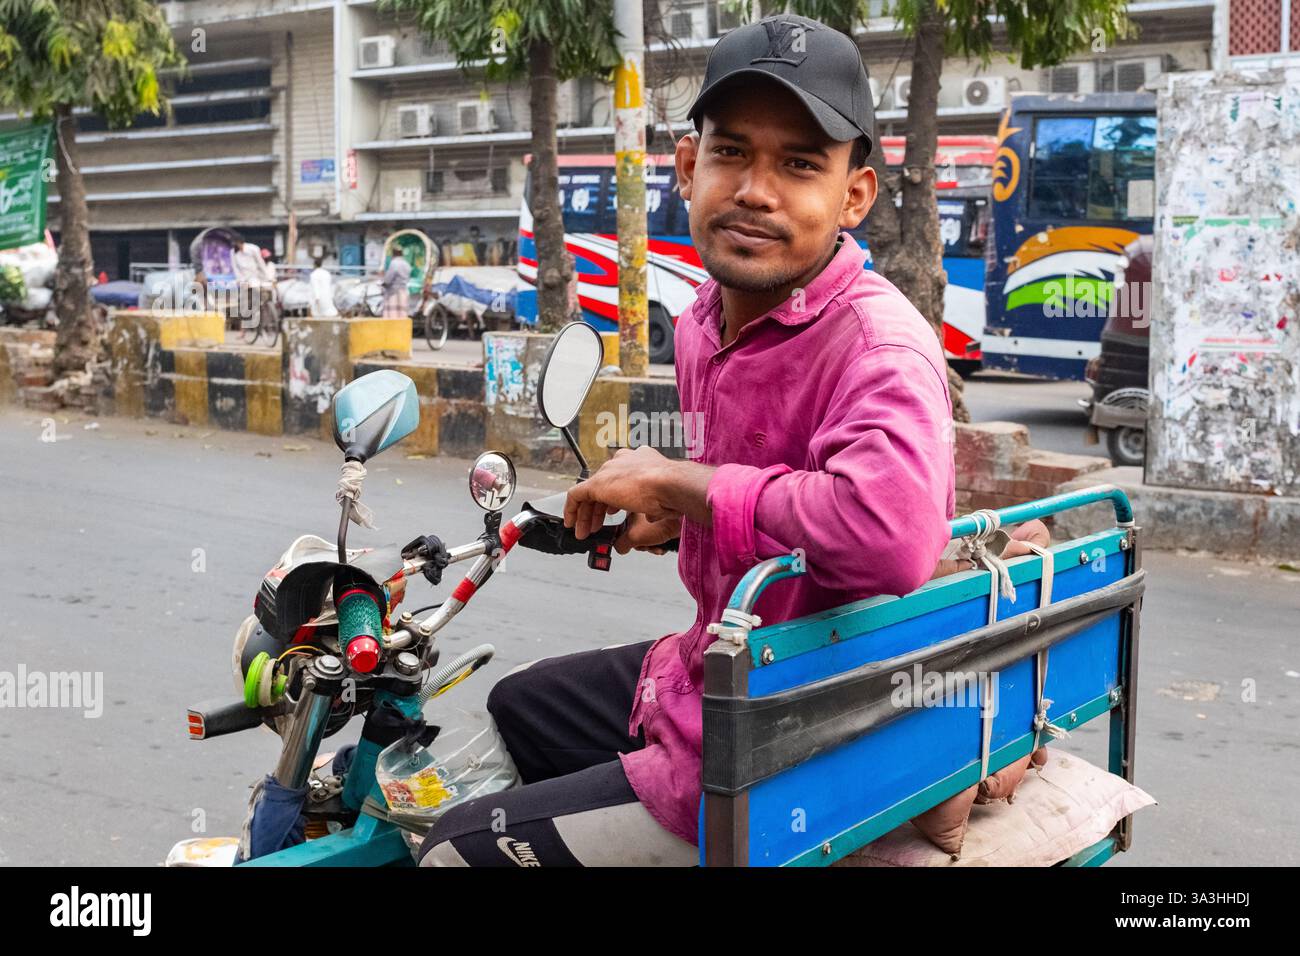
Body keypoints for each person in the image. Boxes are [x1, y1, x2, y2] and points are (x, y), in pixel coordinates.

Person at [419, 13, 956, 867]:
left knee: (451, 852)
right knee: (520, 705)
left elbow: (886, 537)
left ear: (854, 195)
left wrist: (683, 486)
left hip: (798, 724)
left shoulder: (875, 343)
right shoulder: (709, 321)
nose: (755, 190)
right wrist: (681, 515)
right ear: (687, 166)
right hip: (720, 664)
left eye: (800, 165)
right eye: (732, 152)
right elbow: (764, 484)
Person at [381, 246, 411, 318]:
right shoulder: (407, 264)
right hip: (403, 290)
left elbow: (389, 277)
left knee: (393, 312)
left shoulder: (394, 263)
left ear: (394, 254)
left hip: (393, 292)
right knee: (402, 312)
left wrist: (384, 283)